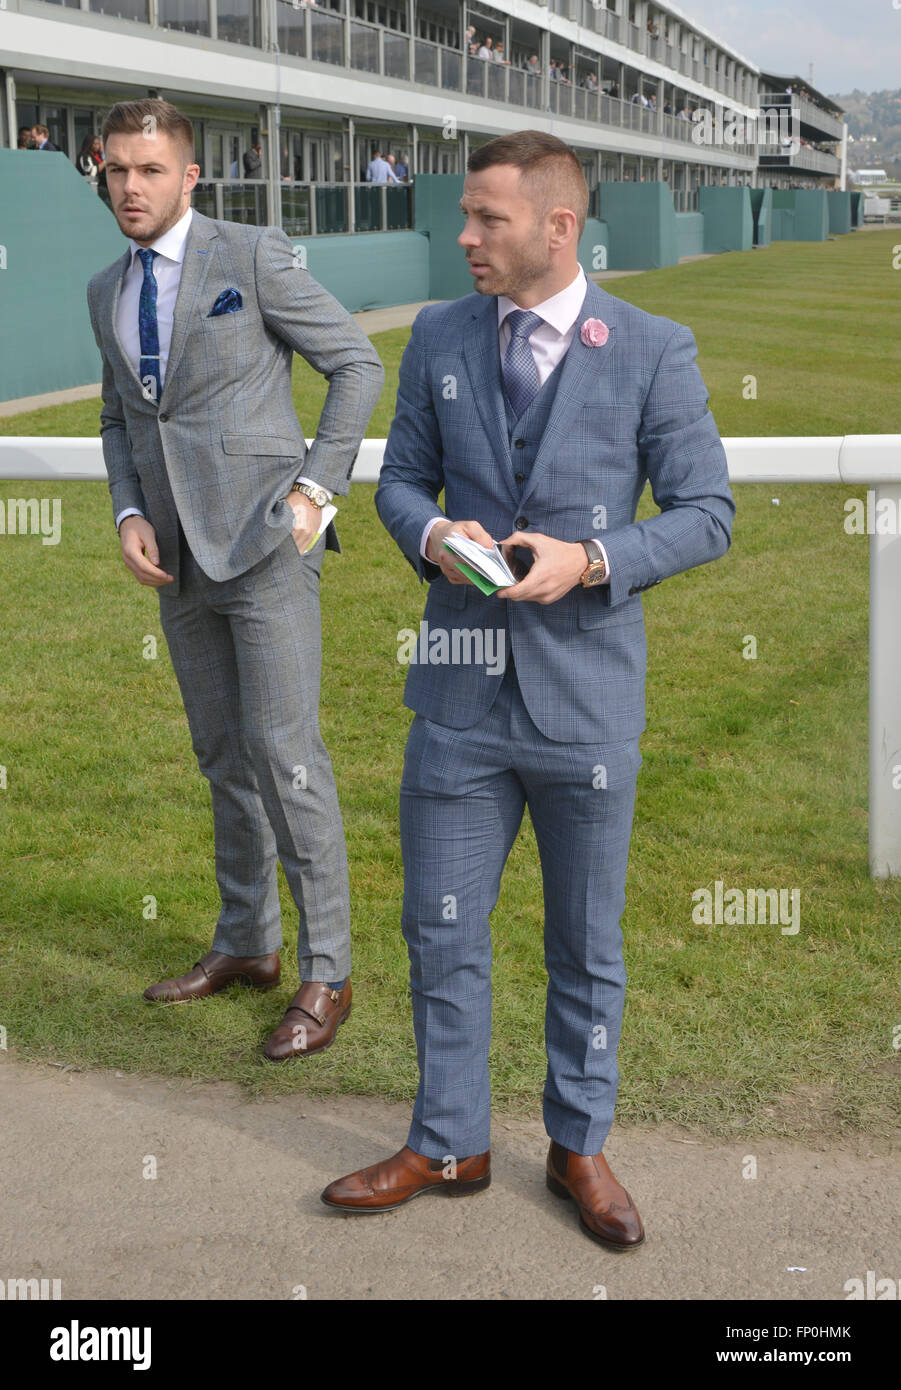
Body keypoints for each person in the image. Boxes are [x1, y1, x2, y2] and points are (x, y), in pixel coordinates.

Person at [322, 130, 734, 1247]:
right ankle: (448, 1139)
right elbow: (400, 480)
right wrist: (434, 531)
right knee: (437, 927)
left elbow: (707, 512)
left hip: (586, 704)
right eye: (465, 216)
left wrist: (591, 561)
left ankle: (578, 1143)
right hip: (454, 697)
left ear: (559, 226)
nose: (462, 236)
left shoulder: (653, 348)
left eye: (486, 219)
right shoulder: (438, 335)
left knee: (584, 945)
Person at [85, 99, 384, 1055]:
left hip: (264, 552)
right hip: (175, 563)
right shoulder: (107, 289)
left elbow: (356, 364)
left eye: (149, 169)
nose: (131, 186)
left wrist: (314, 495)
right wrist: (130, 511)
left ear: (189, 177)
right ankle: (249, 943)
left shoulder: (252, 257)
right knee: (223, 760)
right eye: (116, 169)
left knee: (287, 759)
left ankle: (326, 972)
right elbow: (117, 420)